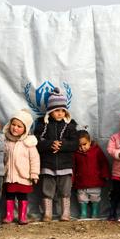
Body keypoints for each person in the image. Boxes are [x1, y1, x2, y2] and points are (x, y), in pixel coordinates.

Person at [34, 88, 78, 221]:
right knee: (47, 190)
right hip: (48, 163)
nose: (60, 113)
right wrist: (50, 144)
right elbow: (37, 141)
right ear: (50, 111)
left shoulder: (70, 125)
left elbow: (75, 143)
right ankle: (47, 213)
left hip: (65, 164)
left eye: (62, 110)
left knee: (65, 190)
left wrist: (62, 145)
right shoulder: (42, 124)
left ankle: (65, 213)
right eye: (56, 111)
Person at [3, 109, 40, 225]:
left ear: (25, 129)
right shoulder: (5, 140)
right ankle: (9, 215)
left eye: (19, 126)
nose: (15, 128)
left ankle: (22, 216)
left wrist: (34, 174)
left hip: (23, 176)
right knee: (9, 195)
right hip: (9, 175)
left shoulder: (29, 143)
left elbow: (34, 159)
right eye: (13, 124)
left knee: (22, 196)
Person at [73, 130, 109, 220]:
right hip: (81, 181)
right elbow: (73, 167)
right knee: (82, 197)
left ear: (89, 142)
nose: (82, 147)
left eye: (84, 144)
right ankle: (83, 212)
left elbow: (103, 163)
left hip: (95, 180)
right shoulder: (76, 154)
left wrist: (105, 174)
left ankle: (94, 212)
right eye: (79, 146)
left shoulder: (96, 151)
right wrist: (72, 179)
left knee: (95, 197)